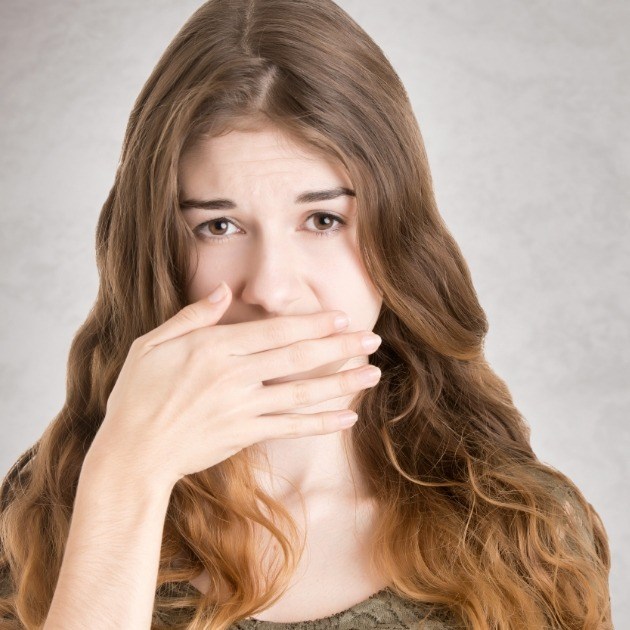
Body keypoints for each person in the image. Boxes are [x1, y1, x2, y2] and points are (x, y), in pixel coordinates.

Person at [0, 0, 612, 628]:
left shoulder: (525, 532)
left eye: (322, 220)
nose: (272, 289)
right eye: (219, 225)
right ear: (158, 249)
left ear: (397, 234)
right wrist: (128, 477)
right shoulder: (44, 513)